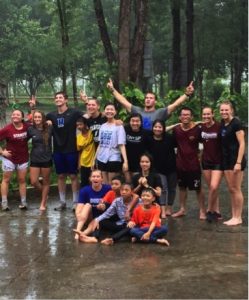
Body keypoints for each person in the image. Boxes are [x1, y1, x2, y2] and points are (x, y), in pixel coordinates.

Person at [107, 79, 194, 130]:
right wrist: (112, 90)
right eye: (146, 98)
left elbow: (176, 104)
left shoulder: (161, 112)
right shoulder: (136, 110)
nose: (148, 100)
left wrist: (186, 94)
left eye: (151, 98)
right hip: (139, 142)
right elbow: (123, 101)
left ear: (155, 101)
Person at [46, 91, 83, 211]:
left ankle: (75, 202)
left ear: (66, 100)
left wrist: (86, 101)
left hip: (71, 149)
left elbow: (89, 116)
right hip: (58, 150)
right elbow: (37, 122)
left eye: (60, 97)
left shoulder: (74, 113)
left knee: (73, 176)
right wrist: (33, 108)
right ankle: (62, 202)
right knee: (61, 175)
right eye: (56, 98)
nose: (58, 99)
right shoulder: (51, 115)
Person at [74, 183, 139, 245]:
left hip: (133, 226)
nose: (124, 192)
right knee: (99, 220)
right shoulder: (117, 201)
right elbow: (107, 213)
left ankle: (112, 239)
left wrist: (132, 221)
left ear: (132, 192)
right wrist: (97, 220)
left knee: (130, 227)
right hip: (120, 224)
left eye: (126, 190)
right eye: (122, 190)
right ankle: (94, 238)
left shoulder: (139, 202)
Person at [172, 107, 206, 219]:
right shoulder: (176, 130)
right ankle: (182, 209)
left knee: (198, 188)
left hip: (193, 165)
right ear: (179, 117)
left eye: (187, 115)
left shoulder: (197, 129)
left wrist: (200, 156)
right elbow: (174, 145)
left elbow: (202, 144)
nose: (185, 117)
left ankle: (202, 210)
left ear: (191, 117)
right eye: (183, 115)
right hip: (180, 165)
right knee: (182, 187)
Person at [219, 101, 246, 226]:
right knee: (231, 189)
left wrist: (238, 162)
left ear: (231, 110)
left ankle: (238, 217)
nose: (224, 112)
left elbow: (242, 143)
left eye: (226, 110)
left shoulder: (236, 123)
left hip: (235, 161)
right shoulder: (223, 124)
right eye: (222, 110)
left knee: (236, 189)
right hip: (226, 160)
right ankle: (233, 215)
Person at [0, 110, 31, 210]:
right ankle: (4, 203)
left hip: (23, 158)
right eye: (13, 114)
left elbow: (36, 120)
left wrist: (32, 107)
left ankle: (24, 202)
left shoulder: (26, 126)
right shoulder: (7, 129)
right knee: (6, 180)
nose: (15, 116)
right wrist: (2, 152)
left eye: (17, 114)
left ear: (22, 117)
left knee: (22, 180)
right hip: (9, 159)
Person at [146, 119, 177, 218]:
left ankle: (169, 208)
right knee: (163, 188)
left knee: (172, 188)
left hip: (172, 167)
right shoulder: (149, 139)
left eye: (160, 127)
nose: (157, 129)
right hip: (158, 169)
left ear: (163, 128)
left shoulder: (169, 138)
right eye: (155, 127)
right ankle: (163, 210)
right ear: (152, 128)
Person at [94, 103, 128, 184]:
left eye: (112, 109)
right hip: (101, 157)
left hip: (114, 157)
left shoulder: (119, 126)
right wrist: (94, 159)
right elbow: (100, 144)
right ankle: (106, 197)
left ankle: (113, 197)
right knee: (104, 183)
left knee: (112, 184)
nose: (109, 111)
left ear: (115, 112)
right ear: (104, 111)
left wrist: (125, 161)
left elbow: (121, 145)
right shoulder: (102, 126)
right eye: (107, 109)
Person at [200, 107, 223, 222]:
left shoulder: (219, 126)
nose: (206, 117)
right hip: (205, 161)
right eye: (204, 115)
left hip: (218, 161)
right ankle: (217, 211)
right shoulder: (201, 127)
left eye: (208, 114)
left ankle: (209, 210)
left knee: (214, 186)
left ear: (213, 114)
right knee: (212, 188)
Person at [74, 170, 111, 240]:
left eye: (98, 176)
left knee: (96, 220)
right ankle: (78, 230)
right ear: (90, 179)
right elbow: (79, 206)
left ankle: (82, 234)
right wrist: (79, 216)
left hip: (102, 217)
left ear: (102, 179)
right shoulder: (84, 190)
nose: (95, 178)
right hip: (88, 216)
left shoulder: (108, 188)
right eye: (93, 176)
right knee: (87, 205)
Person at [27, 110, 53, 211]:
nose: (37, 119)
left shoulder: (50, 128)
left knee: (46, 182)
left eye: (39, 117)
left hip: (47, 158)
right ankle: (45, 193)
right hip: (34, 158)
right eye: (35, 117)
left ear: (43, 119)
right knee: (33, 181)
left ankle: (43, 203)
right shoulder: (30, 129)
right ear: (33, 119)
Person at [124, 113, 150, 183]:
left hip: (139, 165)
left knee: (137, 185)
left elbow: (159, 131)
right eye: (133, 121)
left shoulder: (146, 133)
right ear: (129, 122)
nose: (135, 123)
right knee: (128, 184)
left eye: (137, 121)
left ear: (141, 122)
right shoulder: (125, 130)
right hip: (127, 163)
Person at [76, 116, 96, 188]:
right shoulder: (78, 137)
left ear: (85, 124)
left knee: (93, 180)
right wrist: (79, 163)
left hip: (93, 161)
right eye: (77, 125)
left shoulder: (92, 132)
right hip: (83, 162)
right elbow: (79, 151)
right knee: (84, 181)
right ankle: (84, 198)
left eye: (80, 124)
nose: (79, 127)